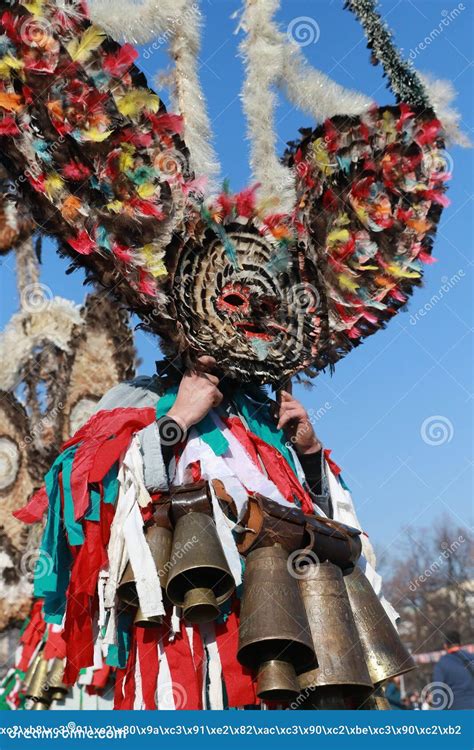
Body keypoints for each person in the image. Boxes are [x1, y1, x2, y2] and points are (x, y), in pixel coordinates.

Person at [432, 631, 474, 710]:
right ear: (460, 643)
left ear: (445, 646)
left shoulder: (441, 664)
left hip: (456, 708)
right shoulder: (471, 658)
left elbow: (438, 691)